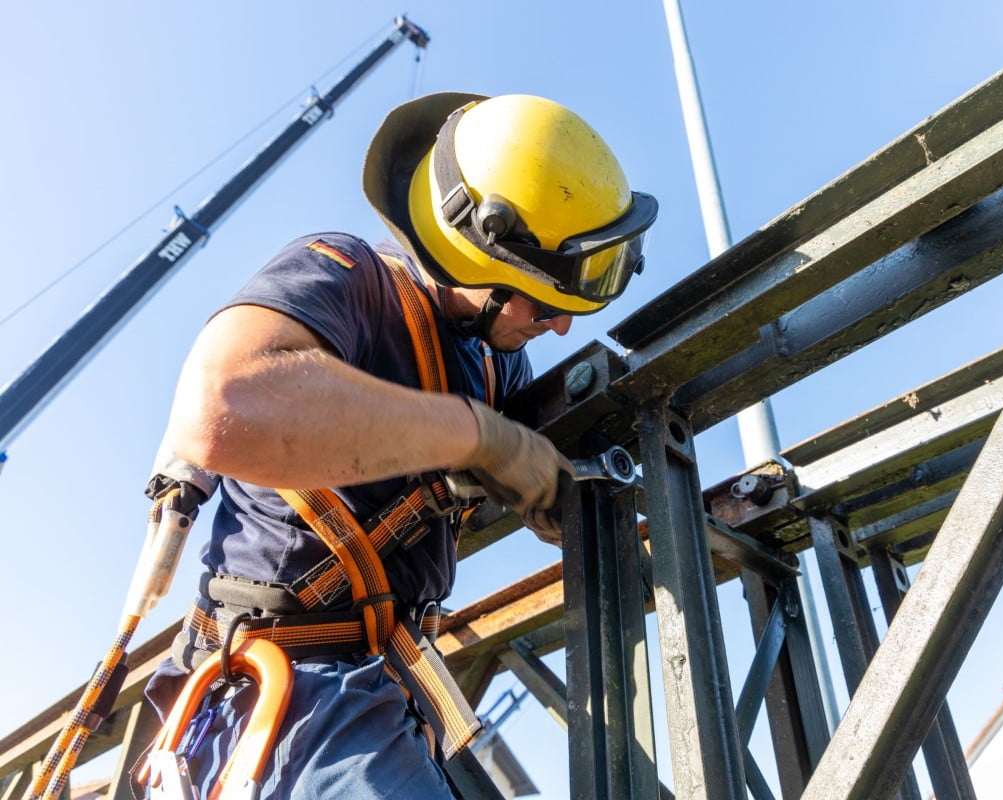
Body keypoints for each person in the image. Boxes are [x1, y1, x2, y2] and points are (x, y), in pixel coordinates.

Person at [141, 92, 657, 799]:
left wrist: (560, 499)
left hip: (382, 686)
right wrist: (479, 436)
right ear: (478, 259)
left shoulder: (498, 361)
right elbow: (222, 404)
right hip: (282, 684)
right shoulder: (346, 277)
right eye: (544, 303)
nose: (560, 329)